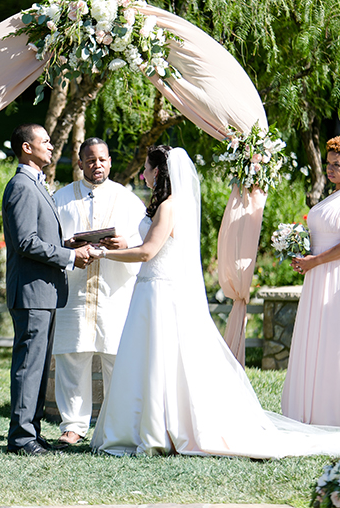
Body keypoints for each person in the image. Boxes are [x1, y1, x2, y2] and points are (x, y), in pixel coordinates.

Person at [89, 145, 340, 458]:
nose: (143, 173)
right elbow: (150, 245)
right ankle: (147, 426)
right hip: (149, 289)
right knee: (149, 361)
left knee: (158, 360)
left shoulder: (168, 206)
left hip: (159, 291)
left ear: (159, 171)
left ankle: (157, 430)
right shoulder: (164, 206)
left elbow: (147, 253)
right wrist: (121, 244)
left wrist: (102, 253)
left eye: (147, 167)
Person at [2, 123, 91, 456]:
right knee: (29, 366)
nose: (52, 146)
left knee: (37, 366)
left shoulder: (35, 184)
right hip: (31, 292)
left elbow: (38, 238)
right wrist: (70, 256)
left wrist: (67, 243)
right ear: (27, 148)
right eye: (46, 142)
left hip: (43, 292)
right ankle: (21, 438)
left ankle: (32, 433)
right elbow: (25, 242)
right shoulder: (22, 186)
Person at [52, 137, 146, 444]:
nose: (97, 165)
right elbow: (50, 242)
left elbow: (143, 244)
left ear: (110, 161)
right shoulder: (60, 199)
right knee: (72, 357)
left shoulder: (128, 200)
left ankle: (116, 424)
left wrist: (124, 245)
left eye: (102, 159)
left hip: (114, 291)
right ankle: (73, 426)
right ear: (79, 163)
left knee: (116, 357)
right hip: (75, 289)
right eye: (90, 160)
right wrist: (69, 247)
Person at [282, 136, 340, 426]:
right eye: (329, 164)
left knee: (332, 339)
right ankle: (309, 406)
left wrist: (314, 261)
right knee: (315, 338)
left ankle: (330, 410)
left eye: (337, 165)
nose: (330, 170)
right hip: (317, 276)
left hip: (333, 278)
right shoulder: (331, 197)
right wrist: (302, 254)